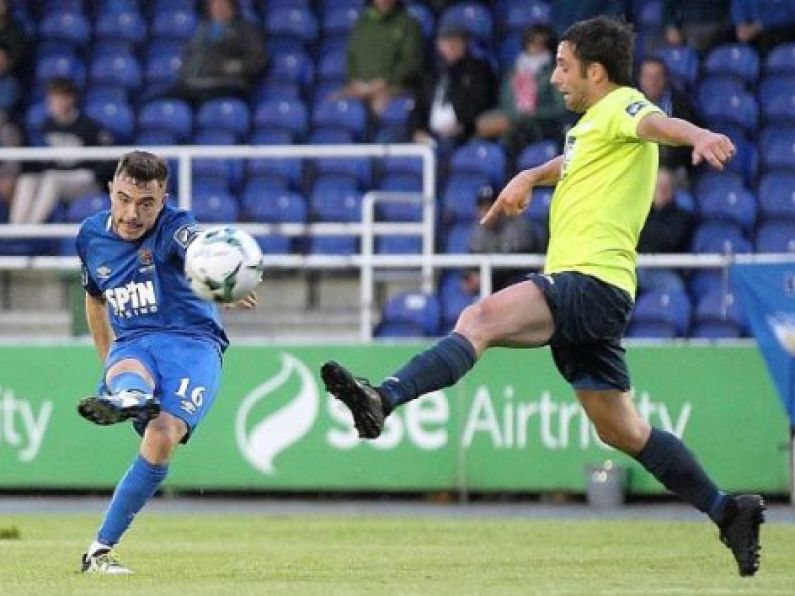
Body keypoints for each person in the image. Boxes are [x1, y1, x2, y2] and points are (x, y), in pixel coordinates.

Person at [321, 17, 764, 578]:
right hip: (597, 292)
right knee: (621, 430)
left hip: (588, 281)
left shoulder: (625, 104)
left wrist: (697, 135)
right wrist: (531, 175)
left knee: (478, 317)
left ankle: (382, 397)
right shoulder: (591, 127)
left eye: (562, 65)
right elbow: (577, 160)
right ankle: (729, 510)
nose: (555, 77)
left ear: (595, 72)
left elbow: (657, 123)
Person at [75, 151, 259, 574]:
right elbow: (93, 299)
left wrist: (225, 269)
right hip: (135, 340)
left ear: (163, 200)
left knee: (162, 436)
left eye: (146, 204)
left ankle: (97, 550)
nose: (131, 213)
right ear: (111, 191)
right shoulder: (89, 236)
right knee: (127, 369)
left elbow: (197, 243)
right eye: (123, 199)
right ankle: (126, 394)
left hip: (193, 343)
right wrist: (108, 364)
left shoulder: (175, 227)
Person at [10, 77, 115, 224]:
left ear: (72, 99)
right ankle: (16, 229)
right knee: (26, 179)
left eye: (62, 98)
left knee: (52, 179)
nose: (58, 103)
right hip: (55, 176)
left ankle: (31, 227)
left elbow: (106, 158)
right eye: (54, 98)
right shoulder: (45, 126)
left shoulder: (88, 126)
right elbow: (41, 163)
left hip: (85, 178)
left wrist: (98, 178)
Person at [476, 24, 568, 157]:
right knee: (478, 125)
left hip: (539, 124)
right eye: (532, 41)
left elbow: (559, 108)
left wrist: (529, 114)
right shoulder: (515, 68)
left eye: (541, 43)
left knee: (510, 135)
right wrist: (510, 116)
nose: (536, 47)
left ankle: (510, 172)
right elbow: (505, 100)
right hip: (512, 118)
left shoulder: (554, 72)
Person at [410, 24, 496, 149]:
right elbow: (418, 106)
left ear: (464, 43)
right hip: (430, 137)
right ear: (438, 45)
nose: (450, 45)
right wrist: (416, 130)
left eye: (455, 41)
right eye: (445, 41)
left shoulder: (479, 70)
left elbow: (481, 102)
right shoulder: (432, 74)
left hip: (463, 135)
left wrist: (463, 126)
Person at [173, 0, 266, 106]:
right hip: (192, 85)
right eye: (215, 6)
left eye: (223, 5)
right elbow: (188, 55)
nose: (220, 9)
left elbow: (258, 60)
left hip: (225, 84)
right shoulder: (201, 30)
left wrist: (231, 67)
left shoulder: (246, 30)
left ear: (232, 6)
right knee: (158, 102)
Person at [341, 0, 424, 115]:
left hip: (393, 86)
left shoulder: (409, 23)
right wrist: (354, 80)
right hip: (359, 86)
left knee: (379, 106)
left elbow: (411, 62)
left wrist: (385, 81)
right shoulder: (362, 22)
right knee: (333, 103)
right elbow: (351, 56)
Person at [469, 185, 545, 292]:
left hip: (521, 283)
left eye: (491, 207)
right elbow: (471, 271)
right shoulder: (477, 233)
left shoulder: (519, 227)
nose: (487, 212)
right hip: (493, 285)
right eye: (483, 208)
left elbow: (523, 268)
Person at [636, 167, 694, 292]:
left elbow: (668, 240)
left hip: (665, 269)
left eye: (665, 187)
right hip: (635, 267)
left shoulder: (680, 216)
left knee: (673, 286)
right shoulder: (640, 212)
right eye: (657, 186)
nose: (661, 191)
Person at [637, 57, 698, 173]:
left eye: (657, 76)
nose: (653, 82)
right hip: (638, 166)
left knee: (663, 179)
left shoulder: (681, 104)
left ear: (665, 78)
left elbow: (687, 147)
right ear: (640, 79)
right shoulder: (630, 104)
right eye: (648, 77)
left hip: (670, 169)